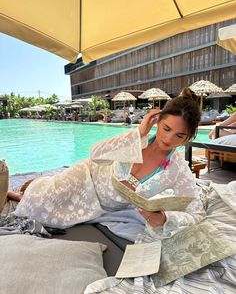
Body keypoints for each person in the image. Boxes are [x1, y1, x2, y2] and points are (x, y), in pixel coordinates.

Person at [12, 87, 205, 239]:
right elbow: (95, 154)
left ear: (188, 137)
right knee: (37, 203)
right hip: (86, 177)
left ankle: (34, 187)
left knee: (54, 216)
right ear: (157, 120)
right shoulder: (137, 140)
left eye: (179, 135)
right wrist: (139, 132)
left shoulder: (178, 169)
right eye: (166, 128)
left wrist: (165, 218)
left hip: (105, 208)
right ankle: (26, 190)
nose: (169, 139)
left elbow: (196, 212)